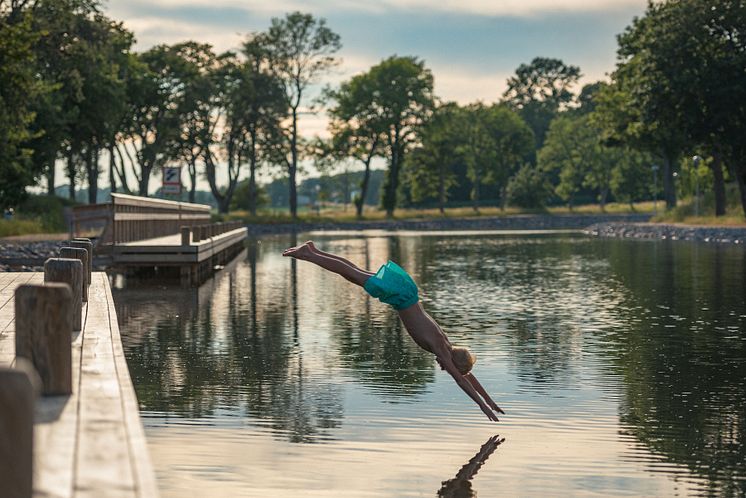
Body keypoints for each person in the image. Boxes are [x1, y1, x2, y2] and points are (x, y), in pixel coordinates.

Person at [282, 241, 505, 422]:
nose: (444, 369)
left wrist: (490, 401)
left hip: (406, 291)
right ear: (452, 363)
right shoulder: (441, 350)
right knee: (353, 274)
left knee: (354, 273)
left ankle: (313, 250)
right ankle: (308, 255)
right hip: (399, 296)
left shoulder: (446, 343)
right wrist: (482, 408)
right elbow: (462, 381)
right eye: (449, 369)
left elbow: (468, 377)